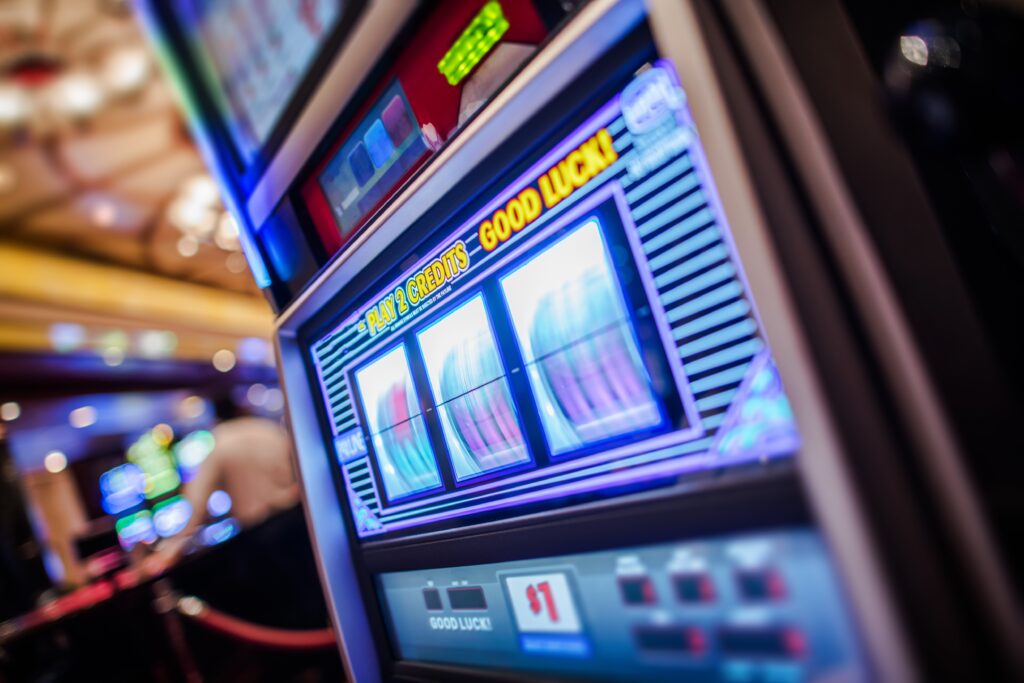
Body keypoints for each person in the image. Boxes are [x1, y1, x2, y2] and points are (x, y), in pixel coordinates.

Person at [145, 392, 299, 574]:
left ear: (216, 417)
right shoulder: (269, 429)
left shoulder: (221, 441)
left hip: (262, 534)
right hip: (295, 517)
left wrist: (169, 551)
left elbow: (196, 501)